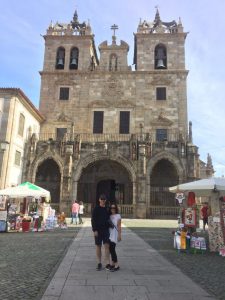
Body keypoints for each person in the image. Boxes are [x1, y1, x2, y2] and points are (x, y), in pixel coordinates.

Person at [91, 194, 110, 271]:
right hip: (98, 230)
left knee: (107, 246)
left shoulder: (107, 209)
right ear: (99, 200)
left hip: (106, 230)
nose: (103, 200)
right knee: (98, 246)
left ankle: (107, 263)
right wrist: (94, 230)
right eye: (101, 199)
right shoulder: (96, 209)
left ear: (105, 200)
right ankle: (99, 263)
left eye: (104, 199)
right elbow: (93, 220)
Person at [108, 203, 121, 271]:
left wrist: (119, 235)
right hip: (109, 234)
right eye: (111, 208)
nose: (112, 209)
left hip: (115, 234)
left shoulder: (118, 216)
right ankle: (113, 264)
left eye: (114, 208)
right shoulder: (109, 216)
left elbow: (119, 226)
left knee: (112, 249)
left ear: (116, 209)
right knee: (110, 249)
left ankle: (116, 265)